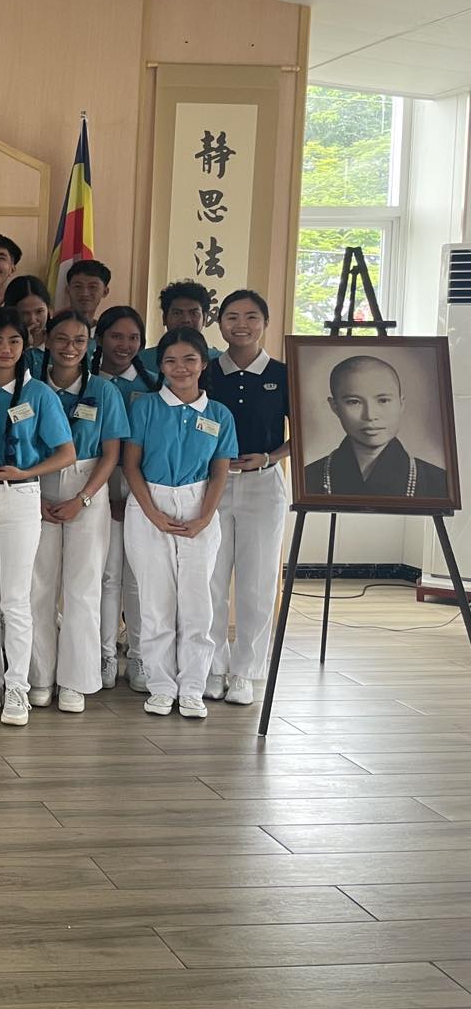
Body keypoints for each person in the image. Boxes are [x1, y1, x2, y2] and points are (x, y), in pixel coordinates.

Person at [0, 307, 76, 727]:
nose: (5, 349)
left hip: (21, 497)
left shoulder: (39, 394)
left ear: (25, 345)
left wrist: (25, 471)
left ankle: (18, 686)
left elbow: (65, 453)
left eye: (13, 340)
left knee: (16, 598)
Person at [123, 326, 237, 718]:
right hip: (148, 503)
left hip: (198, 503)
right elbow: (130, 465)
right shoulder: (145, 407)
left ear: (203, 364)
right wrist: (152, 512)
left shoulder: (219, 414)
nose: (180, 367)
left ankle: (192, 686)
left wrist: (205, 516)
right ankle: (160, 685)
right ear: (162, 365)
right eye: (170, 360)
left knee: (197, 603)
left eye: (189, 359)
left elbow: (220, 471)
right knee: (155, 602)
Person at [28, 310, 129, 712]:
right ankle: (39, 677)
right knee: (38, 587)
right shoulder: (31, 388)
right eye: (62, 339)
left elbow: (111, 454)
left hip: (88, 487)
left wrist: (83, 498)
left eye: (80, 341)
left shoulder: (104, 391)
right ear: (48, 342)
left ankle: (75, 680)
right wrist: (35, 496)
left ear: (90, 345)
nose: (70, 348)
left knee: (83, 588)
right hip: (36, 488)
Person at [204, 289, 291, 707]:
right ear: (219, 323)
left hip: (263, 484)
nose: (241, 325)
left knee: (257, 585)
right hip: (212, 485)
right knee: (211, 580)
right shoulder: (205, 371)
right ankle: (214, 666)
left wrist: (272, 456)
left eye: (251, 317)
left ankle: (246, 672)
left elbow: (307, 433)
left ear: (265, 322)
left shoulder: (283, 373)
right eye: (232, 317)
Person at [93, 305, 161, 691]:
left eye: (133, 337)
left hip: (141, 485)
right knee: (106, 574)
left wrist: (135, 496)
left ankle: (137, 655)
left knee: (137, 576)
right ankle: (103, 654)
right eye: (116, 336)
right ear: (101, 338)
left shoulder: (153, 386)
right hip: (95, 482)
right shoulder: (88, 382)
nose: (124, 345)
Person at [303, 354, 449, 500]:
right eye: (354, 402)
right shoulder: (307, 478)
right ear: (334, 406)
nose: (370, 415)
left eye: (383, 400)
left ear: (401, 403)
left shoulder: (440, 482)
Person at [137, 280, 221, 372]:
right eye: (177, 313)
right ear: (164, 318)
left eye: (194, 313)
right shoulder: (141, 361)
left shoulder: (219, 361)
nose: (186, 320)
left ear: (205, 318)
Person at [3, 274, 53, 369]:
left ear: (49, 309)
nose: (33, 320)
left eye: (39, 311)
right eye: (24, 314)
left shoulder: (57, 341)